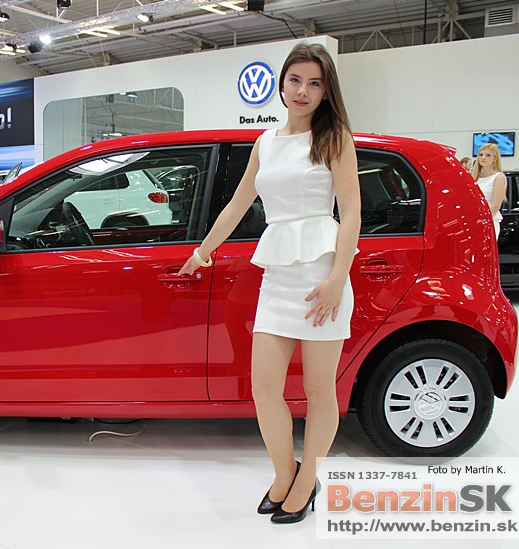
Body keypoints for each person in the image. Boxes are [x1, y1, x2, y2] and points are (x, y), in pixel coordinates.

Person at [178, 42, 360, 524]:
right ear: (281, 84)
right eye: (295, 80)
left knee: (320, 392)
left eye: (314, 83)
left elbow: (351, 214)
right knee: (264, 388)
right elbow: (238, 205)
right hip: (279, 277)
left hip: (322, 274)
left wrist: (338, 278)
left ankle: (307, 478)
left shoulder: (335, 138)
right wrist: (202, 252)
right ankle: (284, 473)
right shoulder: (266, 142)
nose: (303, 91)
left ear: (326, 91)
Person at [473, 143, 507, 238]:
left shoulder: (498, 177)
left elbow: (495, 205)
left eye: (488, 155)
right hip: (474, 221)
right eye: (481, 155)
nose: (483, 158)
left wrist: (482, 220)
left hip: (488, 222)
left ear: (495, 158)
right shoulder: (475, 177)